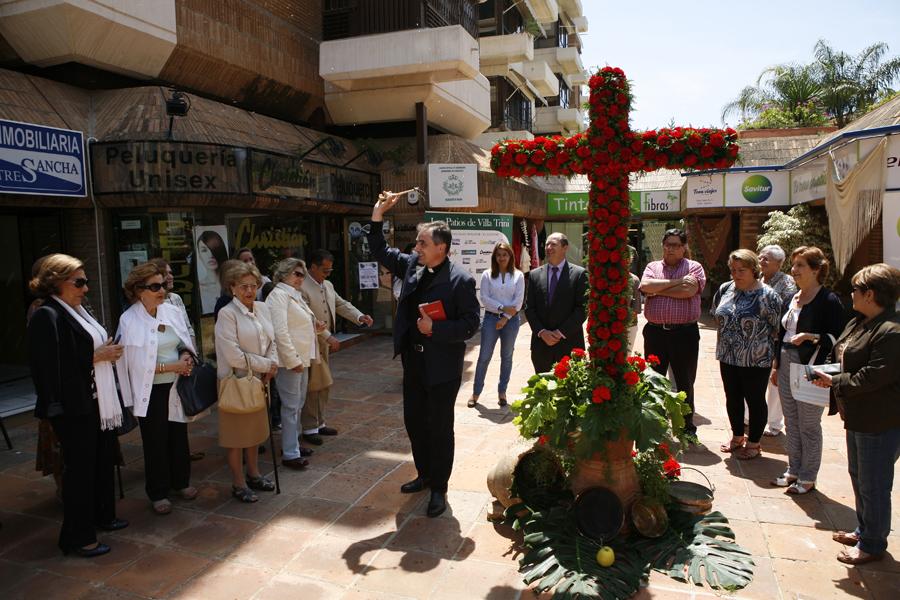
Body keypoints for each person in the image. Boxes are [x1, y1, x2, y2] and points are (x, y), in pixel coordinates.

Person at [366, 190, 480, 518]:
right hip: (413, 362)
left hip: (443, 366)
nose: (416, 248)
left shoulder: (460, 280)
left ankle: (439, 489)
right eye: (417, 244)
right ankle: (424, 474)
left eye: (422, 244)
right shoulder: (413, 266)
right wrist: (378, 214)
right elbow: (380, 250)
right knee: (414, 422)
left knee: (440, 428)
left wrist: (438, 330)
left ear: (441, 249)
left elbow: (472, 322)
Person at [27, 254, 126, 557]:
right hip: (74, 408)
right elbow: (47, 367)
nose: (86, 288)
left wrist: (103, 352)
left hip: (97, 403)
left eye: (86, 281)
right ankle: (77, 537)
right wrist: (96, 357)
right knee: (80, 472)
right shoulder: (47, 314)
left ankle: (100, 516)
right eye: (79, 282)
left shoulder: (76, 310)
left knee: (99, 463)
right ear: (56, 281)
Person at [811, 264, 900, 565]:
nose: (851, 294)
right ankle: (865, 530)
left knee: (874, 482)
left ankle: (873, 543)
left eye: (855, 289)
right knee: (859, 475)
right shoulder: (860, 322)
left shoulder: (891, 331)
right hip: (858, 416)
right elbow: (844, 355)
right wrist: (824, 369)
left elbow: (873, 377)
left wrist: (833, 381)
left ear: (870, 294)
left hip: (879, 418)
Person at [117, 262, 197, 515]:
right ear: (139, 290)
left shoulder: (171, 311)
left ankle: (181, 482)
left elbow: (185, 340)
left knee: (178, 437)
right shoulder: (128, 320)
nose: (162, 290)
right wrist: (170, 367)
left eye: (162, 285)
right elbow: (133, 364)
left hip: (175, 388)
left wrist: (185, 356)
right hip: (149, 391)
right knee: (155, 442)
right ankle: (158, 492)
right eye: (154, 286)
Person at [770, 246, 845, 495]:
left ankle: (808, 476)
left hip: (812, 366)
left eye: (800, 265)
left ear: (816, 269)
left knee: (809, 424)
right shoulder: (791, 297)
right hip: (786, 360)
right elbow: (780, 335)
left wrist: (812, 336)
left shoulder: (828, 300)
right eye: (793, 265)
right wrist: (775, 365)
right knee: (791, 421)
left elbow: (838, 336)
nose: (794, 270)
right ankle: (793, 469)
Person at [215, 261, 279, 503]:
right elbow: (233, 355)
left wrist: (272, 364)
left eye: (253, 286)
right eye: (243, 287)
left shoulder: (262, 308)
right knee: (236, 438)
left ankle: (254, 473)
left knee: (255, 432)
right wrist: (266, 365)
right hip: (237, 382)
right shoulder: (227, 314)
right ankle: (238, 482)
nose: (249, 291)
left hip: (260, 380)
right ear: (232, 288)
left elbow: (273, 341)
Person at [712, 250, 782, 460]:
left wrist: (776, 359)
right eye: (733, 270)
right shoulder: (726, 289)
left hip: (756, 358)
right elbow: (717, 312)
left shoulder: (768, 296)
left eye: (741, 270)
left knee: (754, 399)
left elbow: (777, 328)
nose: (736, 274)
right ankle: (737, 437)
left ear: (754, 270)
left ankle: (754, 443)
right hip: (728, 355)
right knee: (732, 397)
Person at [299, 249, 374, 445]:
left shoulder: (328, 284)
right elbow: (308, 318)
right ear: (312, 267)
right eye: (324, 270)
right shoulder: (301, 287)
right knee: (313, 386)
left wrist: (359, 316)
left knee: (323, 384)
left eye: (330, 271)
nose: (327, 274)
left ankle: (319, 422)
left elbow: (341, 304)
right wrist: (328, 336)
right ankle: (309, 427)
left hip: (323, 344)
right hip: (309, 344)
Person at [639, 228, 706, 437]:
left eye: (676, 245)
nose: (671, 249)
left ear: (684, 247)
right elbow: (645, 286)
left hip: (683, 333)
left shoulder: (694, 267)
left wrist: (658, 290)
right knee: (653, 379)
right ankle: (655, 426)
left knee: (684, 381)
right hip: (655, 333)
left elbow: (689, 291)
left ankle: (686, 428)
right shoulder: (652, 266)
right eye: (667, 244)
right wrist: (676, 282)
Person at [266, 258, 324, 469]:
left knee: (297, 404)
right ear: (284, 274)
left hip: (302, 358)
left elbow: (297, 326)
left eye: (303, 274)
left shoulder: (293, 295)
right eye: (297, 274)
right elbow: (280, 332)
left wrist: (315, 326)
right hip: (290, 360)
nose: (301, 278)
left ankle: (294, 445)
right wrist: (292, 360)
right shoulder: (279, 296)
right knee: (291, 406)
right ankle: (290, 453)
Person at [468, 242, 525, 408]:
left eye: (504, 254)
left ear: (510, 256)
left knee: (506, 357)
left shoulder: (518, 276)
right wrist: (501, 308)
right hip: (491, 319)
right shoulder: (487, 274)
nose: (501, 258)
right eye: (498, 255)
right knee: (484, 357)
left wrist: (505, 317)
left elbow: (518, 302)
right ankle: (476, 393)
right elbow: (485, 298)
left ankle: (502, 392)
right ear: (494, 257)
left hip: (511, 321)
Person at [523, 232, 588, 373]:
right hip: (541, 346)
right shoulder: (535, 275)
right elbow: (529, 308)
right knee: (542, 389)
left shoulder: (579, 274)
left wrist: (559, 333)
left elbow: (582, 309)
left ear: (565, 248)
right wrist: (542, 332)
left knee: (568, 392)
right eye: (547, 244)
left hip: (569, 344)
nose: (548, 247)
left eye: (553, 244)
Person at [758, 245, 798, 436]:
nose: (761, 261)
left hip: (775, 337)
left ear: (779, 263)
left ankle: (773, 423)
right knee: (754, 379)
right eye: (760, 257)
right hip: (753, 339)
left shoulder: (787, 283)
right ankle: (750, 417)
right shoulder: (756, 278)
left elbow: (785, 310)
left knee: (774, 381)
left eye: (766, 259)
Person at [195, 230, 228, 315]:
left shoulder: (232, 283)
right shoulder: (199, 288)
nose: (210, 255)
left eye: (213, 249)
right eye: (204, 250)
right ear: (199, 255)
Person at [627, 248, 642, 352]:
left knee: (626, 356)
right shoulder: (605, 279)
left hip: (629, 325)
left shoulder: (634, 280)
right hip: (607, 326)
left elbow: (636, 309)